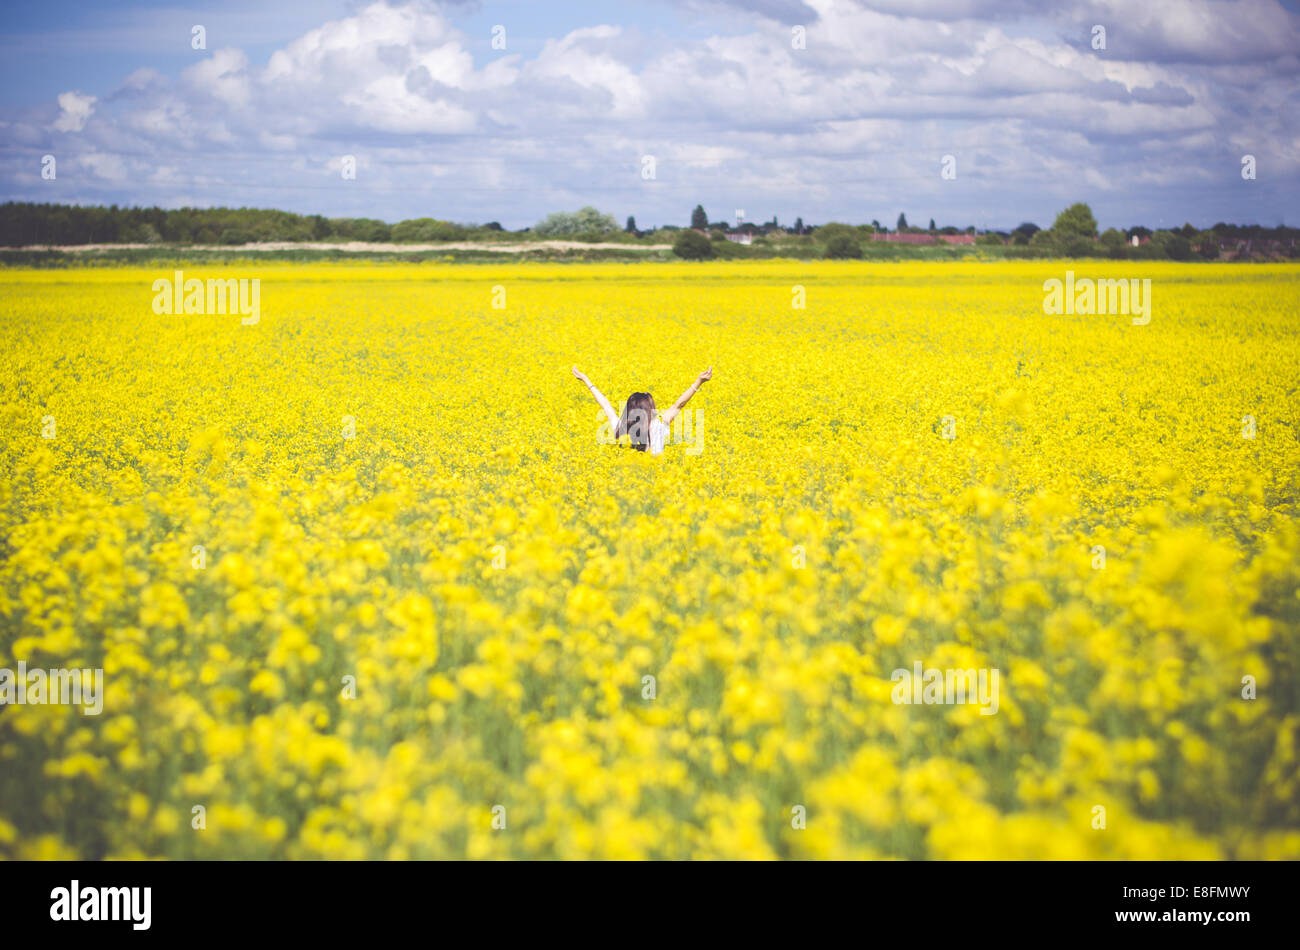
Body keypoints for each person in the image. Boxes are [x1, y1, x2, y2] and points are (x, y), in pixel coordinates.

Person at [572, 366, 712, 454]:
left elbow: (606, 405)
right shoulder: (658, 426)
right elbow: (678, 405)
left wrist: (586, 380)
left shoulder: (620, 428)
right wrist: (698, 382)